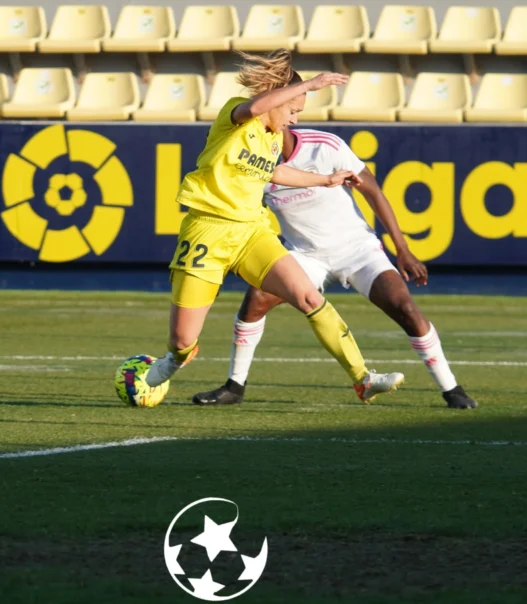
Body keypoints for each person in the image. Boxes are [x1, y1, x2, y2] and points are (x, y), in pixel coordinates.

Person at [143, 49, 402, 403]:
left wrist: (325, 180)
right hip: (208, 230)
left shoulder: (272, 138)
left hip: (251, 231)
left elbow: (274, 171)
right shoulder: (235, 115)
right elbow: (253, 109)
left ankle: (362, 378)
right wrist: (311, 83)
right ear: (275, 100)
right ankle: (173, 359)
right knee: (183, 341)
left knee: (309, 296)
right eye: (293, 109)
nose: (295, 119)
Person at [190, 125, 479, 410]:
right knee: (256, 299)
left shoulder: (324, 145)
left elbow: (373, 190)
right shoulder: (252, 163)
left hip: (357, 251)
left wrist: (402, 249)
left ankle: (451, 388)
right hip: (305, 255)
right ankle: (234, 387)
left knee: (405, 308)